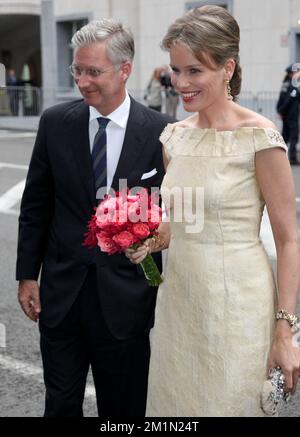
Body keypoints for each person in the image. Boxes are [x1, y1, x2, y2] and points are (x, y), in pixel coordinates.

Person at [126, 5, 300, 417]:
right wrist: (151, 239)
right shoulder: (174, 137)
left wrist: (284, 330)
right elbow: (183, 220)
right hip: (179, 306)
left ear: (227, 68)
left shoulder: (259, 138)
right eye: (175, 69)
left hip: (237, 308)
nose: (181, 83)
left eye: (194, 71)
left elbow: (289, 239)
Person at [16, 19, 174, 417]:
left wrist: (153, 240)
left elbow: (176, 214)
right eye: (77, 70)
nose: (82, 81)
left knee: (124, 411)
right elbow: (36, 205)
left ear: (125, 70)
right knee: (62, 404)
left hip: (127, 300)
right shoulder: (54, 123)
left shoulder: (162, 133)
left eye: (93, 72)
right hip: (62, 297)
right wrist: (27, 275)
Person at [276, 65, 300, 165]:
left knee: (285, 137)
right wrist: (281, 111)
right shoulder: (293, 85)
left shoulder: (285, 84)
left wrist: (280, 111)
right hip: (291, 115)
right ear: (292, 73)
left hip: (286, 115)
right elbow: (288, 100)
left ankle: (279, 157)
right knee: (293, 137)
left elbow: (280, 100)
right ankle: (293, 159)